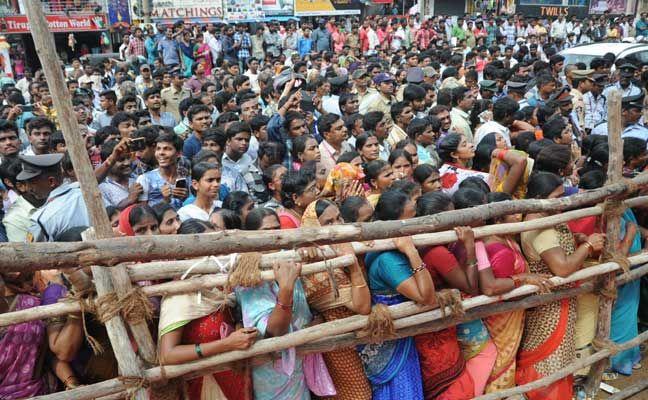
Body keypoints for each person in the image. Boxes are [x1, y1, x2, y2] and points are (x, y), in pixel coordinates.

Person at [518, 172, 605, 399]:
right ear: (539, 198)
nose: (562, 202)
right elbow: (562, 268)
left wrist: (573, 239)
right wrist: (587, 246)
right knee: (551, 355)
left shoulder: (543, 219)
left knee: (557, 352)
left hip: (557, 300)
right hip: (552, 307)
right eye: (556, 197)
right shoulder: (541, 228)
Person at [360, 190, 435, 399]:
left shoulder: (389, 249)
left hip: (402, 334)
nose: (416, 221)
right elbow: (427, 298)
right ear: (395, 223)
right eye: (411, 217)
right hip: (392, 343)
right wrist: (412, 252)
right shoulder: (388, 260)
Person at [479, 192, 552, 392]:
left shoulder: (506, 238)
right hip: (503, 315)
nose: (518, 216)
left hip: (511, 311)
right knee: (502, 357)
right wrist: (524, 279)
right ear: (496, 218)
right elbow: (496, 287)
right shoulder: (498, 249)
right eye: (512, 213)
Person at [300, 199, 372, 399]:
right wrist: (352, 263)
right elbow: (363, 305)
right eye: (328, 223)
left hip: (361, 336)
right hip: (339, 342)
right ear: (313, 227)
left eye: (339, 218)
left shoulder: (343, 247)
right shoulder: (314, 261)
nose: (338, 226)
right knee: (358, 395)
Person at [136, 133, 190, 210]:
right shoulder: (145, 179)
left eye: (167, 149)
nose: (161, 153)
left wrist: (186, 199)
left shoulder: (185, 177)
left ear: (178, 153)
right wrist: (165, 200)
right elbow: (143, 213)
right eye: (158, 149)